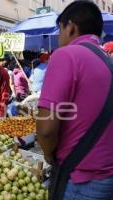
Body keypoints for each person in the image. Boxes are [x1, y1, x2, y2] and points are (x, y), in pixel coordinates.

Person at [36, 1, 113, 200]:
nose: (59, 36)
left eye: (59, 29)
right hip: (106, 177)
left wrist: (47, 154)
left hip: (80, 180)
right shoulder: (108, 61)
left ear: (70, 27)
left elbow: (46, 129)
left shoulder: (66, 55)